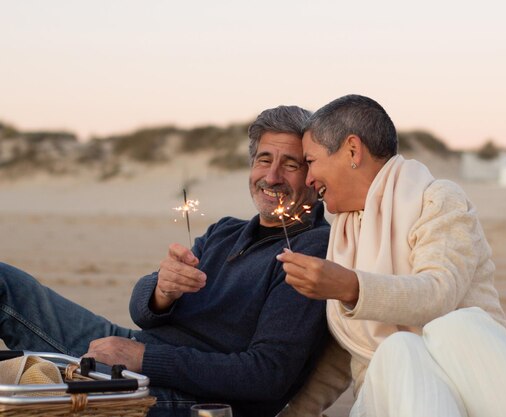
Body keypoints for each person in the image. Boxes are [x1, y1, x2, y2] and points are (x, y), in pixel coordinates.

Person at [0, 105, 330, 417]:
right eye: (263, 159)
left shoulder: (310, 250)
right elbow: (140, 313)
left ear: (313, 174)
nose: (271, 177)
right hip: (132, 350)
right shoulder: (225, 232)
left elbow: (266, 374)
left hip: (188, 394)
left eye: (291, 165)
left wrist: (142, 358)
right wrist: (161, 292)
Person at [277, 95, 506, 417]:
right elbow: (348, 346)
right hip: (389, 398)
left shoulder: (436, 201)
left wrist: (351, 287)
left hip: (470, 383)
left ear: (353, 150)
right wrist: (297, 413)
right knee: (397, 349)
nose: (308, 179)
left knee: (451, 328)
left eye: (310, 161)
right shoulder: (344, 232)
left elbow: (439, 292)